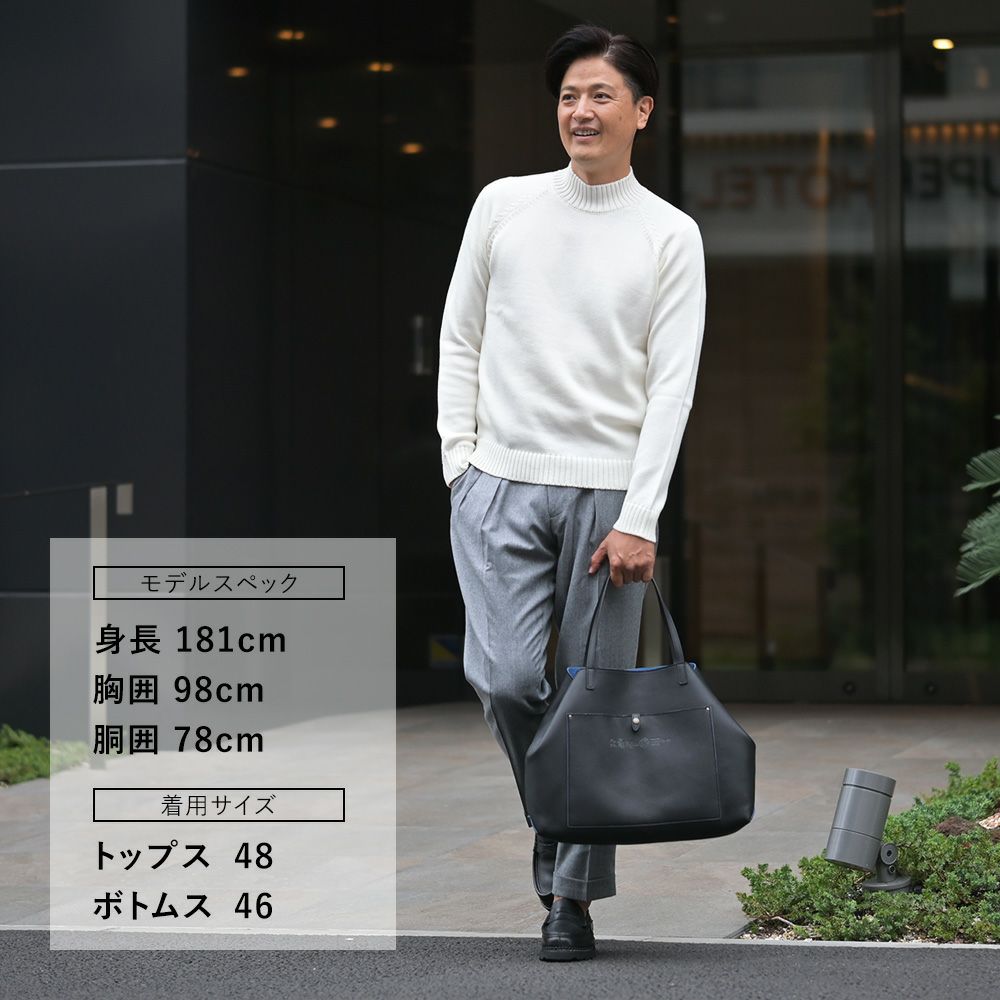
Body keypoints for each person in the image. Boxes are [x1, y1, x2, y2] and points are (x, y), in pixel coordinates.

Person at [436, 23, 707, 962]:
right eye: (567, 96)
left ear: (642, 111)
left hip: (608, 506)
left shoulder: (671, 234)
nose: (580, 111)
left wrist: (641, 516)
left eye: (600, 95)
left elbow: (671, 387)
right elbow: (461, 339)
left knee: (593, 700)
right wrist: (460, 464)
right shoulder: (503, 206)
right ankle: (560, 828)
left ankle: (569, 898)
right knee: (506, 678)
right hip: (498, 486)